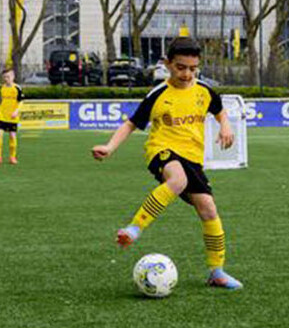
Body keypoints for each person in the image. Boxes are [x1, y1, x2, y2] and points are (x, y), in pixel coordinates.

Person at [91, 37, 243, 290]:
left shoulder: (204, 90)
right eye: (181, 67)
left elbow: (219, 110)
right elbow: (131, 124)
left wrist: (225, 126)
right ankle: (134, 228)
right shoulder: (158, 94)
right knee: (178, 179)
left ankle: (217, 272)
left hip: (193, 159)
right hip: (162, 150)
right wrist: (109, 147)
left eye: (193, 68)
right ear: (168, 64)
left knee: (209, 210)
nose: (187, 74)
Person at [0, 67, 23, 166]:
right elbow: (1, 101)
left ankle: (12, 157)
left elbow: (21, 101)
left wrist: (16, 111)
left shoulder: (17, 88)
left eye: (8, 77)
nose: (6, 79)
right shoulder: (2, 88)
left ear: (13, 77)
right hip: (2, 116)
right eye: (4, 77)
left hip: (12, 117)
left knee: (12, 135)